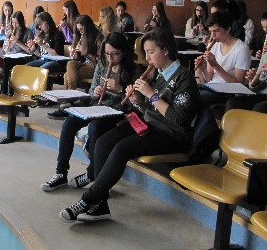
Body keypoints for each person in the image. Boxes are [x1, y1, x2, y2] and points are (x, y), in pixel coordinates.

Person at [58, 28, 200, 222]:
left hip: (171, 134)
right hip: (150, 124)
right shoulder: (159, 74)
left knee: (122, 148)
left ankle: (89, 199)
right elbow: (147, 110)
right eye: (146, 53)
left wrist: (151, 94)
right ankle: (101, 205)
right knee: (103, 142)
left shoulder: (184, 78)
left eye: (151, 52)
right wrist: (136, 100)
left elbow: (178, 119)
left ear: (165, 50)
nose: (148, 58)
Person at [41, 32, 142, 192]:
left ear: (124, 52)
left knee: (96, 127)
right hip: (98, 107)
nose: (110, 58)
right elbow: (92, 91)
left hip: (118, 112)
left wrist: (120, 89)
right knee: (69, 122)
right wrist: (95, 91)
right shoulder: (102, 65)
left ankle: (93, 173)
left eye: (115, 54)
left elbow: (135, 105)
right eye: (107, 53)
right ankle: (61, 173)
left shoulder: (133, 70)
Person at [47, 15, 104, 119]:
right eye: (78, 30)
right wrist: (76, 55)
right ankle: (70, 102)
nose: (80, 32)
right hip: (85, 64)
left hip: (96, 67)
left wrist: (85, 53)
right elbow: (80, 59)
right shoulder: (80, 37)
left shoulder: (98, 37)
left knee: (66, 76)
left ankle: (66, 102)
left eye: (82, 29)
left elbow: (101, 61)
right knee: (70, 64)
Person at [195, 11, 251, 110]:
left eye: (216, 31)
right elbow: (209, 78)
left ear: (228, 29)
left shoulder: (241, 49)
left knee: (195, 97)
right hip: (213, 87)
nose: (212, 36)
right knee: (187, 91)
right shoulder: (214, 46)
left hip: (229, 92)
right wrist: (203, 68)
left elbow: (238, 85)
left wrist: (216, 65)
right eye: (211, 31)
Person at [1, 11, 34, 94]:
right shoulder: (9, 32)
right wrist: (6, 47)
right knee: (1, 61)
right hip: (10, 56)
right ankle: (2, 89)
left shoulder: (28, 32)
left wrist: (18, 42)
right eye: (13, 22)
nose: (14, 25)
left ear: (21, 22)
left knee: (6, 62)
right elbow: (4, 51)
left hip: (23, 57)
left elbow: (30, 52)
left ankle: (4, 91)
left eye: (17, 23)